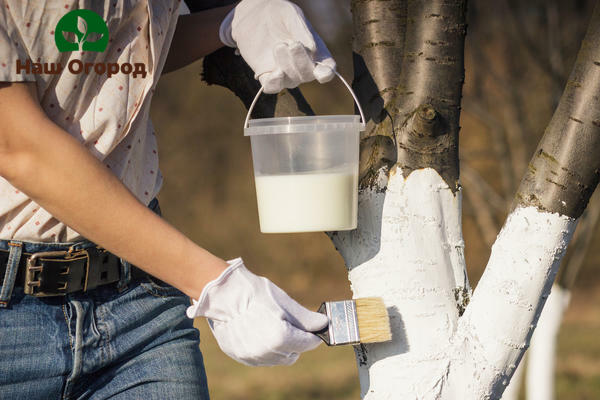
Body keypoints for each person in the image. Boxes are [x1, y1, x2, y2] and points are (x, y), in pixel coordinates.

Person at [0, 0, 337, 398]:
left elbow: (107, 44)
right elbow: (18, 147)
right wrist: (216, 285)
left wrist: (228, 23)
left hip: (139, 306)